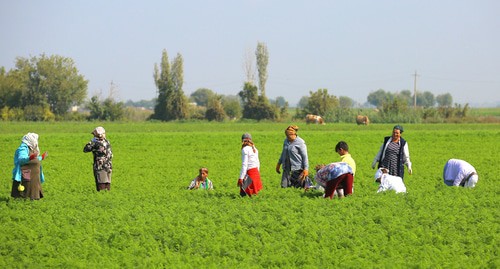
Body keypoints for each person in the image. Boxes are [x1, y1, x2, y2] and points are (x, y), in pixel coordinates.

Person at [11, 133, 48, 200]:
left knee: (33, 189)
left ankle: (32, 200)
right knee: (25, 190)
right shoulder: (23, 148)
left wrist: (41, 158)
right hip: (26, 172)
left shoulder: (31, 147)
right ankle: (23, 202)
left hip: (34, 175)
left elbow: (34, 159)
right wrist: (30, 158)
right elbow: (21, 159)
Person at [83, 126, 113, 191]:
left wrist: (91, 142)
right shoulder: (107, 142)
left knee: (101, 184)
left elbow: (85, 149)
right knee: (107, 184)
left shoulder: (95, 143)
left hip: (100, 166)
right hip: (108, 166)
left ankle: (102, 198)